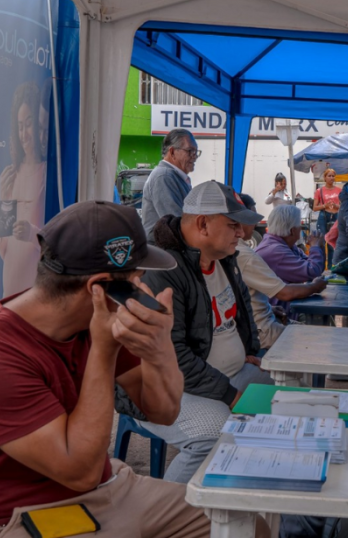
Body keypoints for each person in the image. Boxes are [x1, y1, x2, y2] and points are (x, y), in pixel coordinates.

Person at [0, 201, 220, 537]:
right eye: (136, 279)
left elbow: (163, 411)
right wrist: (104, 351)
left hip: (103, 491)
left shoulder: (86, 321)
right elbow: (79, 470)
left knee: (245, 524)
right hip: (27, 517)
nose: (143, 289)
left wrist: (159, 348)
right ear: (99, 288)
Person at [123, 180, 272, 483]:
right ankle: (169, 513)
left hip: (223, 375)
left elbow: (242, 309)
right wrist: (229, 395)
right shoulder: (162, 269)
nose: (242, 233)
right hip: (168, 387)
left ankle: (239, 488)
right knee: (214, 432)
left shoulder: (224, 257)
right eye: (233, 225)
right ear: (203, 224)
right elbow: (172, 357)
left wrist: (251, 351)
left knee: (276, 394)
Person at [235, 198, 327, 350]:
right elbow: (306, 276)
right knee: (317, 341)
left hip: (272, 316)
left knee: (320, 328)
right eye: (251, 219)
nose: (255, 224)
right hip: (264, 329)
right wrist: (315, 285)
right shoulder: (266, 251)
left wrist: (270, 309)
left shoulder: (280, 246)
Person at [0, 81, 49, 297]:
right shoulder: (9, 175)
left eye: (29, 124)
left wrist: (32, 233)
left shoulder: (47, 173)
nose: (24, 133)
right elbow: (6, 249)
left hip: (38, 285)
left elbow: (56, 247)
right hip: (11, 282)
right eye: (20, 125)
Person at [140, 128, 200, 236]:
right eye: (190, 151)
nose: (194, 156)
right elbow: (175, 223)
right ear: (172, 152)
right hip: (162, 249)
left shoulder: (175, 176)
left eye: (196, 152)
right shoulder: (164, 176)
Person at [256, 205, 328, 284]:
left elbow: (316, 267)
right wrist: (315, 247)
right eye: (299, 226)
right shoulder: (275, 250)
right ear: (292, 231)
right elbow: (313, 272)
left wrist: (319, 246)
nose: (301, 228)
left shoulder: (285, 244)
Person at [313, 167, 342, 264]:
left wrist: (336, 205)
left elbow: (343, 206)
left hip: (335, 215)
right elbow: (314, 207)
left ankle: (332, 266)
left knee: (333, 242)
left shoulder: (339, 190)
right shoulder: (319, 191)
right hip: (323, 216)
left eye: (333, 176)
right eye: (329, 176)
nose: (331, 178)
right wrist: (324, 205)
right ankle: (320, 265)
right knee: (321, 242)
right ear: (325, 178)